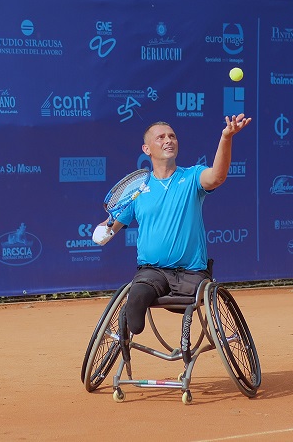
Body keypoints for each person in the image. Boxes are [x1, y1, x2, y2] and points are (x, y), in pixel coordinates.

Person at [94, 114, 251, 337]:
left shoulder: (192, 176)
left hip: (192, 274)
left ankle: (187, 350)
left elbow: (217, 176)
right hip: (151, 272)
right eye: (161, 137)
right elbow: (110, 227)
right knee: (135, 312)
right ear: (146, 149)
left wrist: (226, 137)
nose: (168, 140)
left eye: (172, 136)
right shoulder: (137, 191)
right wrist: (103, 232)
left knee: (191, 308)